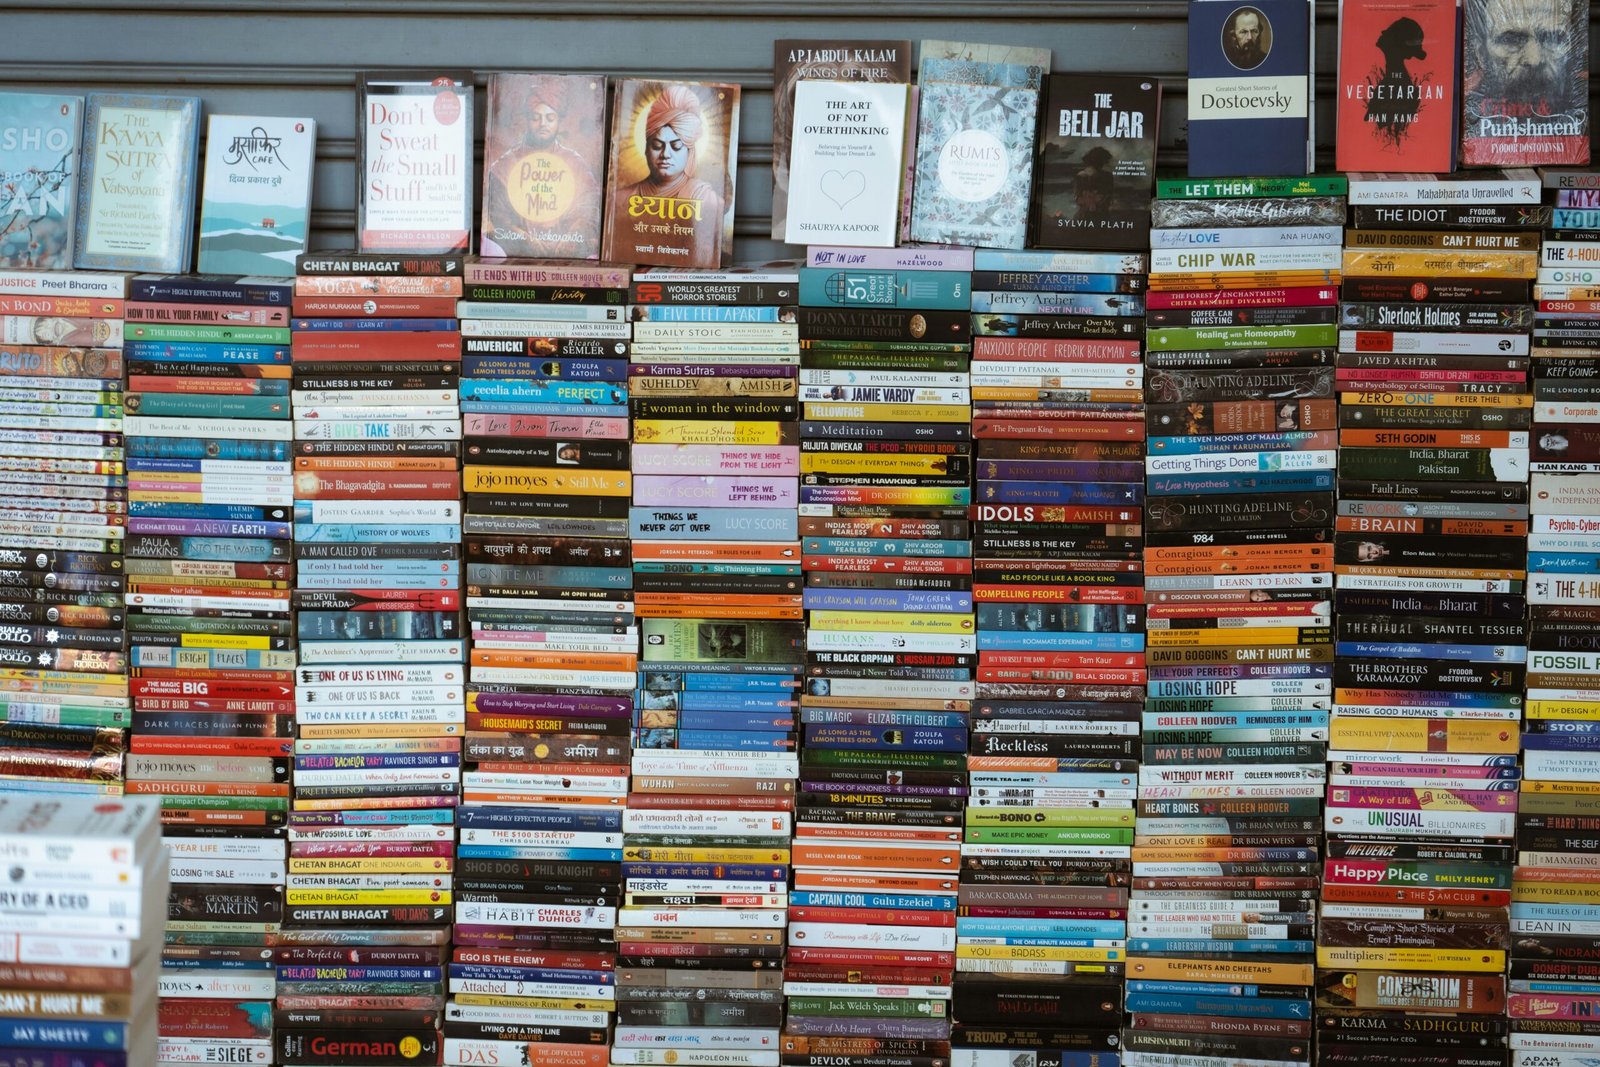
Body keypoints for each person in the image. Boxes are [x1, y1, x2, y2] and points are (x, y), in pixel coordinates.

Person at [483, 79, 602, 257]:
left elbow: (587, 212)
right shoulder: (505, 166)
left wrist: (570, 238)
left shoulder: (576, 164)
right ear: (528, 120)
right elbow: (499, 217)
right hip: (516, 253)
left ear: (559, 121)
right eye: (536, 118)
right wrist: (524, 238)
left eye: (550, 118)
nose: (543, 124)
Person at [610, 85, 724, 266]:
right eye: (657, 145)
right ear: (646, 149)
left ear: (690, 152)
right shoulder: (619, 200)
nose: (666, 154)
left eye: (676, 146)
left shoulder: (704, 198)